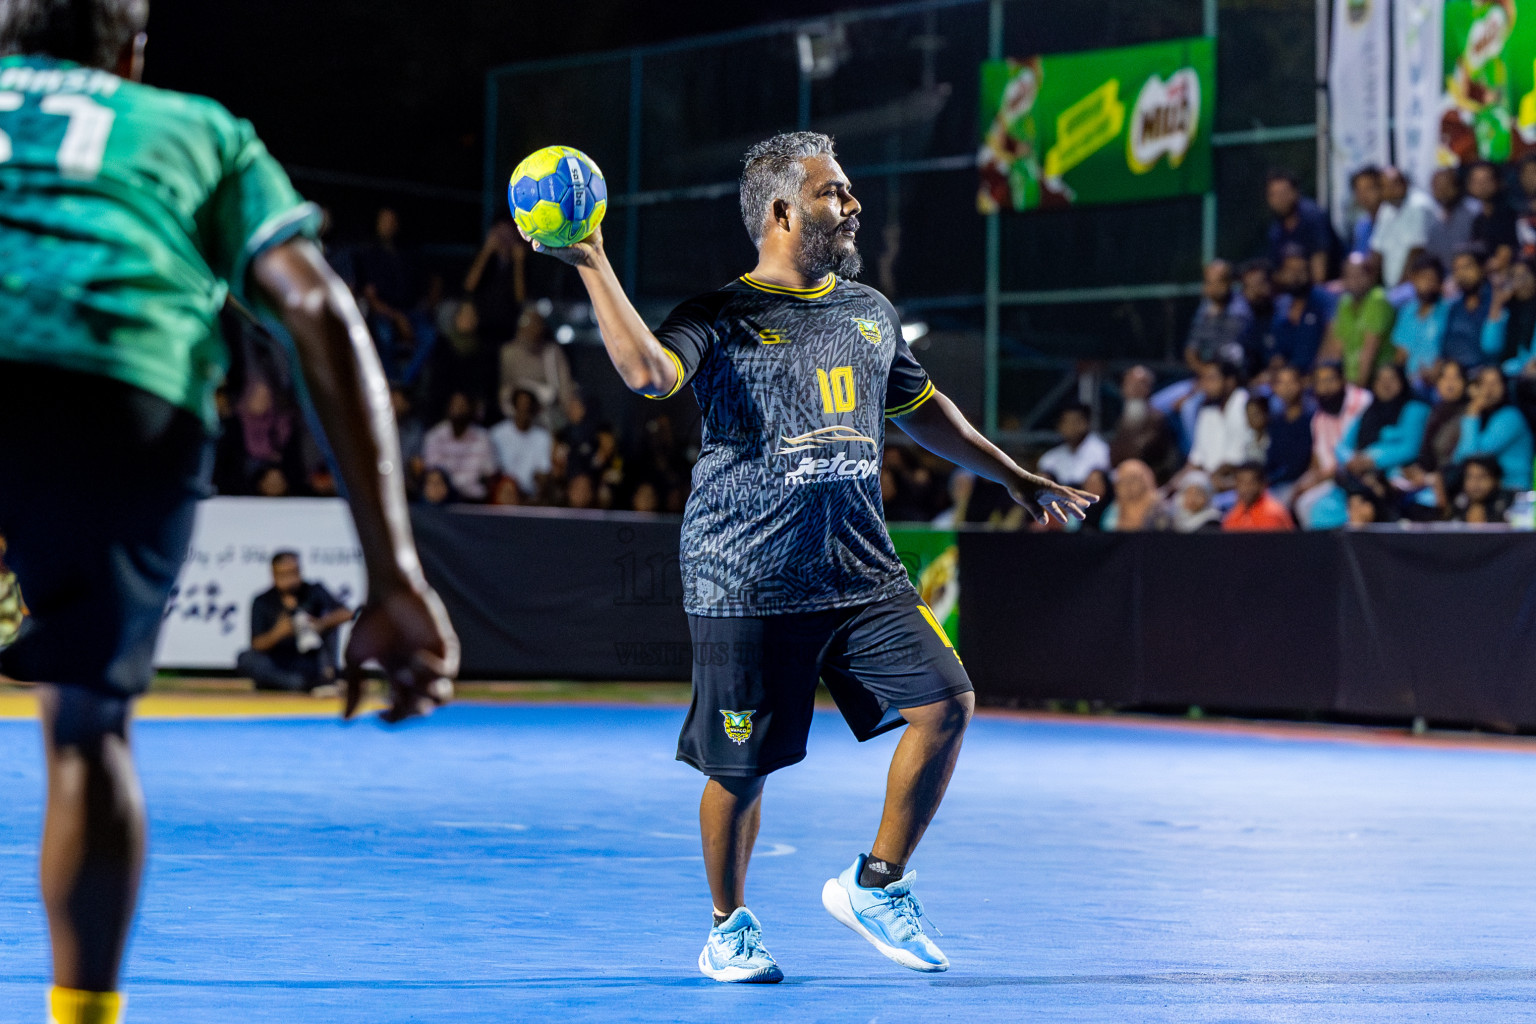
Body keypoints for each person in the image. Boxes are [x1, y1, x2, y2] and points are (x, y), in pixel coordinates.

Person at [527, 130, 1094, 983]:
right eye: (836, 192)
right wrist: (593, 261)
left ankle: (878, 882)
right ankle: (729, 924)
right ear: (784, 211)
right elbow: (648, 373)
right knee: (740, 768)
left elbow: (921, 406)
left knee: (946, 702)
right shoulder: (718, 317)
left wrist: (1012, 474)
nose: (853, 203)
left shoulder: (867, 311)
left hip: (858, 571)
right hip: (743, 577)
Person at [0, 7, 460, 1021]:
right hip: (114, 387)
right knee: (83, 730)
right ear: (131, 54)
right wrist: (392, 576)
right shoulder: (189, 127)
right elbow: (313, 308)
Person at [1307, 364, 1430, 530]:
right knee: (1318, 510)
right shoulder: (1369, 411)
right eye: (1380, 380)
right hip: (1359, 475)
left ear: (1402, 381)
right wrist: (1352, 460)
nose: (1386, 384)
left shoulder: (1415, 408)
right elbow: (1342, 446)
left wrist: (1371, 459)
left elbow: (1409, 448)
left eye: (1391, 379)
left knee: (1372, 502)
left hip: (1396, 474)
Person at [234, 552, 352, 692]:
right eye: (284, 574)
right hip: (279, 662)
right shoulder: (262, 601)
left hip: (310, 660)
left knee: (332, 627)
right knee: (246, 659)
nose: (290, 578)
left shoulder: (314, 591)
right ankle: (300, 684)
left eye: (294, 572)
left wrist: (320, 624)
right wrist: (278, 633)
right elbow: (257, 644)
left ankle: (317, 680)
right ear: (274, 575)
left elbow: (347, 613)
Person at [1292, 362, 1373, 527]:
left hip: (1359, 475)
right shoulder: (1318, 418)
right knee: (1296, 499)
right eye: (1320, 382)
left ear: (1343, 380)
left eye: (1330, 380)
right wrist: (1307, 481)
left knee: (1307, 504)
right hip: (1331, 480)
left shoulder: (1363, 402)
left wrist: (1321, 479)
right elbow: (1317, 460)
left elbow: (1360, 452)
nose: (1326, 388)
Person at [1453, 365, 1534, 489]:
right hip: (1487, 491)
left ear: (1505, 386)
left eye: (1495, 383)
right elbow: (1458, 458)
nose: (1489, 389)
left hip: (1513, 491)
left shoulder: (1511, 416)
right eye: (1484, 383)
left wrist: (1473, 410)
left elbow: (1472, 457)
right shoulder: (1483, 417)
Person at [1322, 252, 1396, 387]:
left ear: (1371, 277)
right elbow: (1336, 348)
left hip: (1373, 381)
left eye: (1359, 275)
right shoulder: (1344, 302)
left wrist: (1356, 391)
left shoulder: (1378, 300)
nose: (1353, 281)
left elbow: (1369, 353)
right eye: (1348, 276)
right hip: (1346, 381)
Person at [1182, 359, 1251, 492]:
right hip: (1209, 481)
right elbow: (1196, 460)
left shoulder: (1244, 404)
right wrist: (1170, 488)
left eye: (1211, 379)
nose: (1205, 385)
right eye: (1203, 379)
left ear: (1230, 381)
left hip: (1239, 481)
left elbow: (1237, 459)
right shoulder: (1207, 409)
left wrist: (1206, 481)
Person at [1268, 244, 1336, 373]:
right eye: (1291, 271)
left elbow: (1334, 339)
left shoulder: (1324, 298)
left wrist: (1315, 375)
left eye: (1301, 270)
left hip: (1315, 376)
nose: (1296, 277)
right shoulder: (1280, 304)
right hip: (1287, 378)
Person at [1391, 254, 1453, 394]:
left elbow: (1449, 350)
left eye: (1432, 279)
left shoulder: (1448, 311)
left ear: (1440, 283)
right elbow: (1401, 353)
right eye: (1422, 278)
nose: (1427, 284)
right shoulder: (1407, 311)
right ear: (1413, 280)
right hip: (1408, 384)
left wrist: (1435, 373)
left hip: (1437, 385)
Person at [1442, 243, 1509, 368]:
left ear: (1482, 268)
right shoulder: (1454, 308)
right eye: (1456, 269)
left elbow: (1493, 348)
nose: (1461, 274)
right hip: (1455, 375)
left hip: (1486, 373)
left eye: (1467, 267)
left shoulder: (1497, 301)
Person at [422, 391, 497, 500]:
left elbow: (489, 473)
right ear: (448, 408)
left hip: (474, 500)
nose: (458, 409)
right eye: (455, 405)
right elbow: (433, 472)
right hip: (442, 500)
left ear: (471, 409)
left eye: (462, 405)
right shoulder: (435, 436)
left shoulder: (483, 438)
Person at [1108, 366, 1179, 482]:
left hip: (1151, 479)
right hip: (1123, 477)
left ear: (1149, 387)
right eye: (1129, 383)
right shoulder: (1120, 419)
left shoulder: (1158, 420)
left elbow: (1146, 451)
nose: (1134, 388)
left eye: (1140, 383)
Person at [1370, 167, 1433, 291]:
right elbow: (1377, 250)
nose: (1395, 189)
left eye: (1397, 183)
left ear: (1406, 183)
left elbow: (1417, 249)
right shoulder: (1386, 209)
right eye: (1387, 186)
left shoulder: (1418, 205)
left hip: (1414, 283)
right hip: (1391, 285)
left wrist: (1400, 287)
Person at [1265, 169, 1334, 283]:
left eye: (1283, 193)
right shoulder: (1275, 230)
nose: (1280, 199)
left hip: (1328, 287)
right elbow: (1276, 273)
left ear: (1295, 192)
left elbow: (1320, 276)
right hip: (1295, 290)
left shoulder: (1313, 217)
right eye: (1274, 194)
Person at [1185, 259, 1253, 370]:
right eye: (1209, 282)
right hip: (1208, 373)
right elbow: (1191, 349)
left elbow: (1227, 348)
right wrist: (1202, 371)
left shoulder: (1240, 308)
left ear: (1229, 282)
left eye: (1219, 281)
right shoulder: (1205, 307)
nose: (1213, 287)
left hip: (1234, 372)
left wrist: (1215, 317)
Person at [489, 388, 554, 497]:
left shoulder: (543, 437)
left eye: (528, 405)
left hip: (529, 497)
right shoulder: (497, 433)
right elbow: (493, 469)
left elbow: (543, 470)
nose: (524, 409)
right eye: (521, 405)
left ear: (533, 409)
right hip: (503, 494)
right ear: (514, 406)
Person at [1264, 365, 1313, 502]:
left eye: (1291, 382)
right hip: (1276, 481)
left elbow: (1303, 460)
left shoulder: (1311, 419)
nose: (1287, 387)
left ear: (1302, 383)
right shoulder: (1276, 422)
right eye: (1281, 383)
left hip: (1300, 481)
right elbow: (1272, 457)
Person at [1037, 403, 1111, 487]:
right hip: (1060, 498)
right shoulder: (1050, 457)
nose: (1069, 427)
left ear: (1085, 423)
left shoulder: (1103, 451)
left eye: (1074, 422)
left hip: (1092, 499)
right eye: (1066, 422)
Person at [1424, 167, 1481, 269]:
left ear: (1457, 186)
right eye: (1438, 187)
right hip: (1445, 279)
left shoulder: (1475, 211)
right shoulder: (1433, 217)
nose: (1442, 192)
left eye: (1446, 186)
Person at [1467, 161, 1519, 272]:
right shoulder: (1478, 220)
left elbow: (1504, 256)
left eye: (1486, 180)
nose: (1481, 186)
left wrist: (1479, 270)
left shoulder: (1508, 214)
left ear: (1498, 182)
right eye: (1476, 181)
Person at [1221, 462, 1296, 531]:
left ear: (1262, 485)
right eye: (1241, 483)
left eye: (1251, 483)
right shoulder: (1232, 516)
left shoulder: (1273, 514)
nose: (1246, 488)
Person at [1099, 460, 1170, 531]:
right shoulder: (1115, 508)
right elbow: (1107, 530)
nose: (1128, 486)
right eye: (1123, 481)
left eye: (1133, 480)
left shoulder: (1159, 509)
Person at [1452, 456, 1512, 523]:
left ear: (1496, 480)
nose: (1475, 483)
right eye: (1470, 477)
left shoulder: (1510, 503)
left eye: (1482, 477)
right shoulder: (1457, 502)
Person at [1348, 165, 1383, 257]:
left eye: (1369, 189)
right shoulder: (1361, 225)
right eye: (1359, 190)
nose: (1364, 195)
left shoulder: (1392, 219)